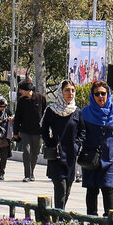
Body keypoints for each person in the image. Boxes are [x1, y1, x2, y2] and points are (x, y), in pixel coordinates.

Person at [77, 79, 113, 217]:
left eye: (103, 93)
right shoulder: (85, 112)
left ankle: (109, 219)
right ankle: (92, 218)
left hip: (110, 156)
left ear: (108, 94)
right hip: (91, 156)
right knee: (92, 188)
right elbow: (80, 134)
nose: (100, 97)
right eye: (97, 94)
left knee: (108, 187)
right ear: (92, 96)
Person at [40, 79, 81, 210]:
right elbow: (44, 128)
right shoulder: (52, 110)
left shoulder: (77, 111)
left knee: (68, 186)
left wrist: (77, 145)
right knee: (60, 187)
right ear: (60, 92)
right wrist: (50, 142)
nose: (70, 93)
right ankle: (59, 217)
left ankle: (59, 213)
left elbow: (83, 131)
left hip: (70, 155)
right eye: (67, 90)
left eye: (73, 90)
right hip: (56, 155)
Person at [13, 80, 46, 182]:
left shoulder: (41, 98)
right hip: (25, 131)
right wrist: (15, 132)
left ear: (28, 90)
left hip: (37, 131)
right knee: (26, 151)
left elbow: (45, 114)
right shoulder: (21, 101)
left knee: (35, 153)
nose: (20, 92)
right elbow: (17, 117)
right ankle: (27, 174)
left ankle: (32, 173)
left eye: (21, 89)